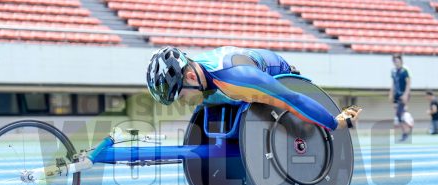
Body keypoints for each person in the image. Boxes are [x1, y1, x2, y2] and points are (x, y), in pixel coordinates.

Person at [146, 46, 362, 131]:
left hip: (272, 73)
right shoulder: (198, 74)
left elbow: (292, 99)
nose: (181, 101)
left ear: (191, 77)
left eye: (179, 95)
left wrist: (336, 122)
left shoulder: (236, 80)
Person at [389, 54, 411, 141]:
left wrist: (406, 94)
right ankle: (405, 131)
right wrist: (391, 93)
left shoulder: (405, 71)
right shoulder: (393, 71)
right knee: (398, 115)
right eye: (395, 61)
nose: (396, 63)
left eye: (398, 61)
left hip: (404, 94)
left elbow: (408, 83)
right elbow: (393, 84)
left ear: (401, 61)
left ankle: (406, 131)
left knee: (399, 113)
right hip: (396, 95)